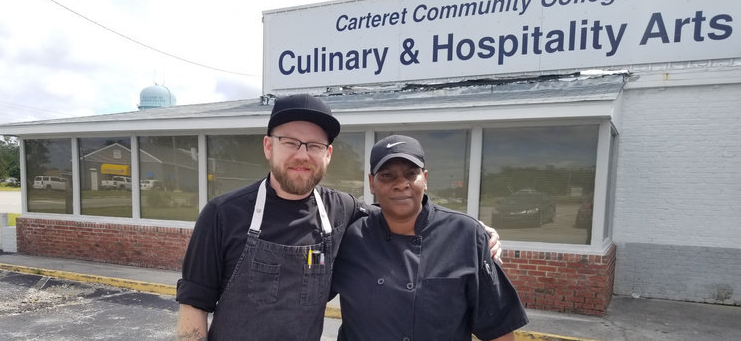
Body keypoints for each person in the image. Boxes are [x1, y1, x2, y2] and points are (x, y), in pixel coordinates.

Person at [176, 94, 503, 340]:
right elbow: (193, 309)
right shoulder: (222, 214)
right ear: (268, 146)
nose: (302, 155)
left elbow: (399, 205)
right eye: (290, 142)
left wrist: (474, 231)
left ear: (328, 154)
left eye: (314, 145)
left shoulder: (342, 210)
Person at [331, 135, 528, 340]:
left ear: (425, 179)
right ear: (372, 183)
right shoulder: (349, 237)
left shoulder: (466, 236)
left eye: (411, 174)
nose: (401, 184)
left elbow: (498, 328)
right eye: (387, 175)